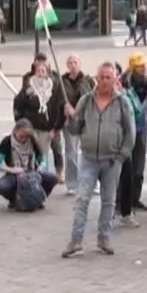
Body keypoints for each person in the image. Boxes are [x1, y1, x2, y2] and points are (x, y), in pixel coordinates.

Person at [61, 62, 136, 258]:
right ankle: (76, 240)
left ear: (115, 80)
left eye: (108, 77)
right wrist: (70, 118)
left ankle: (104, 238)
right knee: (81, 199)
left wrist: (121, 157)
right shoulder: (86, 100)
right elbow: (74, 130)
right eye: (101, 77)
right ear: (96, 78)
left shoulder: (122, 102)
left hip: (112, 160)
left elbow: (131, 133)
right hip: (88, 159)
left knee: (108, 201)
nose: (104, 81)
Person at [13, 55, 68, 172]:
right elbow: (18, 104)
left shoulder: (53, 86)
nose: (40, 73)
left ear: (47, 73)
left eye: (43, 71)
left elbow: (58, 108)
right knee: (28, 154)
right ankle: (30, 179)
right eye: (38, 71)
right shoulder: (29, 86)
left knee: (42, 156)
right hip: (30, 127)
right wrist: (26, 95)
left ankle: (43, 179)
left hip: (45, 128)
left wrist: (55, 128)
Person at [117, 53, 147, 226]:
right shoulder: (124, 83)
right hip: (128, 129)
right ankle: (122, 201)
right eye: (141, 66)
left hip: (142, 128)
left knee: (139, 166)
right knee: (126, 168)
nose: (144, 68)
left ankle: (135, 199)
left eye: (144, 65)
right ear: (133, 67)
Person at [0, 119, 57, 211]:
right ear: (15, 131)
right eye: (21, 136)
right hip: (14, 174)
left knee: (52, 178)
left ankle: (38, 198)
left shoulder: (33, 141)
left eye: (26, 137)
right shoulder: (7, 141)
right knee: (1, 186)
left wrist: (42, 165)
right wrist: (12, 170)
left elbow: (42, 157)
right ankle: (14, 199)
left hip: (32, 172)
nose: (24, 139)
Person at [56, 55, 95, 191]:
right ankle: (72, 183)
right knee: (71, 153)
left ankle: (91, 182)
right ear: (67, 66)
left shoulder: (87, 80)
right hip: (70, 122)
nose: (73, 65)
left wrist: (77, 110)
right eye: (70, 63)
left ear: (80, 64)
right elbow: (58, 99)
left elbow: (91, 98)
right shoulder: (62, 81)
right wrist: (64, 110)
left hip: (84, 120)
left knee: (89, 154)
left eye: (75, 62)